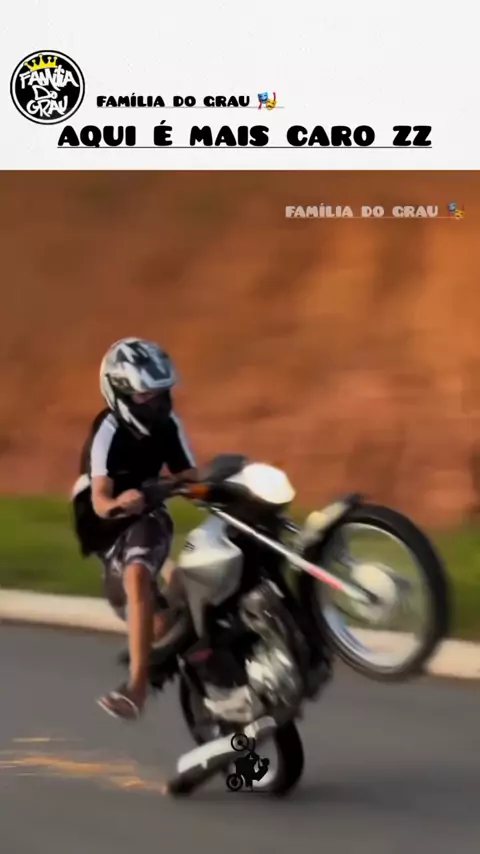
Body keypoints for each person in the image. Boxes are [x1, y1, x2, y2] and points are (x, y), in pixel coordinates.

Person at [71, 337, 198, 721]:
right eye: (146, 395)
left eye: (161, 393)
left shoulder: (168, 425)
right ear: (121, 393)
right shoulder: (107, 430)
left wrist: (169, 488)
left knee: (137, 573)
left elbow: (190, 477)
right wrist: (119, 503)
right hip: (111, 530)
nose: (156, 404)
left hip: (149, 515)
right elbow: (100, 499)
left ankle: (137, 688)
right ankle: (182, 590)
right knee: (156, 628)